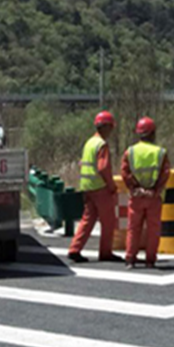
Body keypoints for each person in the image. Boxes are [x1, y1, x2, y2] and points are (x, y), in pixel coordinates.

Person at [68, 111, 121, 263]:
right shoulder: (101, 145)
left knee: (87, 219)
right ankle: (105, 252)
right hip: (100, 188)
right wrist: (111, 186)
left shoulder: (89, 142)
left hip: (87, 188)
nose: (111, 131)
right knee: (108, 221)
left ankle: (74, 248)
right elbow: (103, 168)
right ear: (105, 127)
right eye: (110, 127)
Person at [121, 116, 170, 269]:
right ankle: (150, 260)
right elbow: (165, 173)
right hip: (153, 197)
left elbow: (125, 172)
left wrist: (134, 188)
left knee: (133, 228)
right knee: (153, 229)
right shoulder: (160, 152)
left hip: (136, 197)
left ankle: (130, 259)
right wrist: (156, 190)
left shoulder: (130, 152)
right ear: (153, 133)